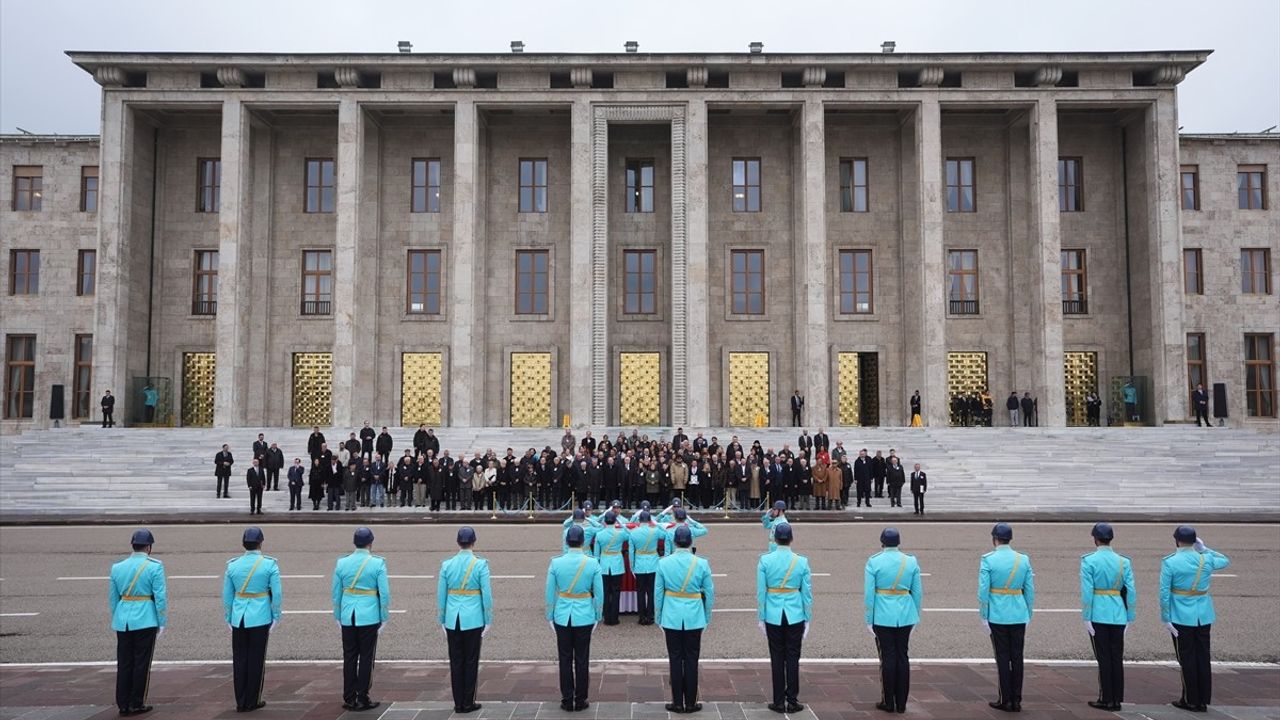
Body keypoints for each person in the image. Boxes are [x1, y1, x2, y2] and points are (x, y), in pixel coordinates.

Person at [1161, 525, 1231, 713]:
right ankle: (1202, 699)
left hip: (1180, 615)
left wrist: (1166, 617)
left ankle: (1190, 699)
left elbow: (1164, 593)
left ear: (1176, 540)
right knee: (1202, 656)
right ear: (1194, 541)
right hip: (1203, 614)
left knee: (1186, 658)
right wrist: (1205, 549)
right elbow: (1225, 561)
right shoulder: (1206, 559)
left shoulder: (1170, 562)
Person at [655, 525, 715, 714]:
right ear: (690, 542)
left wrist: (659, 617)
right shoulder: (701, 563)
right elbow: (710, 593)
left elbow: (658, 594)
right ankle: (690, 702)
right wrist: (706, 616)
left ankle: (677, 702)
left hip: (671, 615)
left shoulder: (664, 563)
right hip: (694, 615)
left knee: (675, 659)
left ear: (674, 542)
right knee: (691, 659)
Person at [223, 527, 282, 713]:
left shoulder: (233, 565)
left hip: (238, 617)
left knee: (240, 660)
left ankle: (241, 701)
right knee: (256, 659)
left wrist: (229, 617)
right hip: (260, 615)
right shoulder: (269, 565)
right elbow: (277, 594)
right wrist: (276, 615)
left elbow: (227, 596)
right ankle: (252, 699)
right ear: (260, 543)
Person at [545, 525, 603, 712]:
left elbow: (549, 593)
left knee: (564, 658)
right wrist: (597, 615)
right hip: (584, 614)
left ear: (567, 541)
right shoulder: (592, 563)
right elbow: (599, 594)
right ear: (583, 541)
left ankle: (567, 698)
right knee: (582, 659)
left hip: (562, 615)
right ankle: (581, 698)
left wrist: (550, 615)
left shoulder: (556, 562)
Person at [109, 528, 167, 717]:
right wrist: (161, 620)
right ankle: (136, 702)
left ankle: (123, 703)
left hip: (123, 619)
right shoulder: (154, 566)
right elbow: (160, 597)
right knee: (141, 662)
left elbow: (113, 598)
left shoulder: (117, 567)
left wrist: (117, 616)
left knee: (124, 662)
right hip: (145, 618)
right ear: (148, 547)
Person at [332, 527, 390, 712]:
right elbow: (384, 594)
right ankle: (362, 696)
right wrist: (384, 616)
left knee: (349, 656)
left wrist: (338, 614)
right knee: (366, 657)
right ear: (370, 543)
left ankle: (349, 696)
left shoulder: (342, 563)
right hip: (369, 614)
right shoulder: (377, 564)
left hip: (349, 614)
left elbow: (336, 592)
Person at [865, 527, 922, 714]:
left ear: (882, 542)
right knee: (902, 656)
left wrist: (868, 618)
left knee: (887, 657)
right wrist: (915, 615)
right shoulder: (910, 561)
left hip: (882, 614)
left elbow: (869, 594)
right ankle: (902, 703)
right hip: (905, 613)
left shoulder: (874, 562)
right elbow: (917, 592)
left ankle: (888, 701)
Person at [1080, 522, 1136, 712]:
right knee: (1116, 657)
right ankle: (1116, 699)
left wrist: (1086, 616)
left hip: (1098, 612)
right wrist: (1130, 615)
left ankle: (1106, 698)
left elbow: (1087, 591)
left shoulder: (1089, 561)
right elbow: (1130, 591)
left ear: (1095, 539)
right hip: (1118, 612)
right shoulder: (1124, 562)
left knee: (1104, 658)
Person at [979, 522, 1035, 713]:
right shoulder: (1023, 559)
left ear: (994, 538)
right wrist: (1028, 612)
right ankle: (1017, 699)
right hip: (1019, 613)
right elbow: (1029, 590)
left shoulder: (988, 560)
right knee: (1017, 657)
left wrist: (984, 615)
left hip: (998, 613)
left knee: (1003, 658)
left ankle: (1006, 699)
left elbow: (983, 591)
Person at [756, 522, 811, 714]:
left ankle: (778, 700)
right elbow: (807, 593)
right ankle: (792, 700)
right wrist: (807, 617)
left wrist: (761, 616)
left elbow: (761, 592)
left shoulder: (765, 560)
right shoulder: (801, 561)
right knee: (793, 657)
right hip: (795, 612)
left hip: (773, 613)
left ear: (776, 539)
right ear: (791, 539)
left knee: (777, 657)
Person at [438, 527, 492, 714]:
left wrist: (442, 619)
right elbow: (486, 595)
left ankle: (458, 701)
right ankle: (468, 701)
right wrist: (488, 619)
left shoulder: (447, 565)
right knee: (471, 660)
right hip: (473, 617)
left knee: (456, 661)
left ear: (458, 542)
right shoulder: (480, 565)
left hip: (453, 618)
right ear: (474, 542)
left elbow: (441, 595)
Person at [628, 509, 667, 625]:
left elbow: (631, 552)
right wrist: (656, 524)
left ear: (639, 520)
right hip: (653, 564)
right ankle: (650, 616)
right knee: (651, 592)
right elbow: (665, 535)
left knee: (640, 592)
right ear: (649, 520)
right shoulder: (654, 531)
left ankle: (641, 617)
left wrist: (632, 566)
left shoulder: (633, 532)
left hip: (639, 564)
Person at [593, 512, 631, 626]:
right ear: (615, 521)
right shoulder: (620, 533)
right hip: (617, 564)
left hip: (604, 564)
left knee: (605, 592)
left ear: (604, 521)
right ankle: (614, 618)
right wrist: (621, 524)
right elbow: (631, 534)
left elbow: (596, 555)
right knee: (616, 592)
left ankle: (606, 617)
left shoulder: (599, 535)